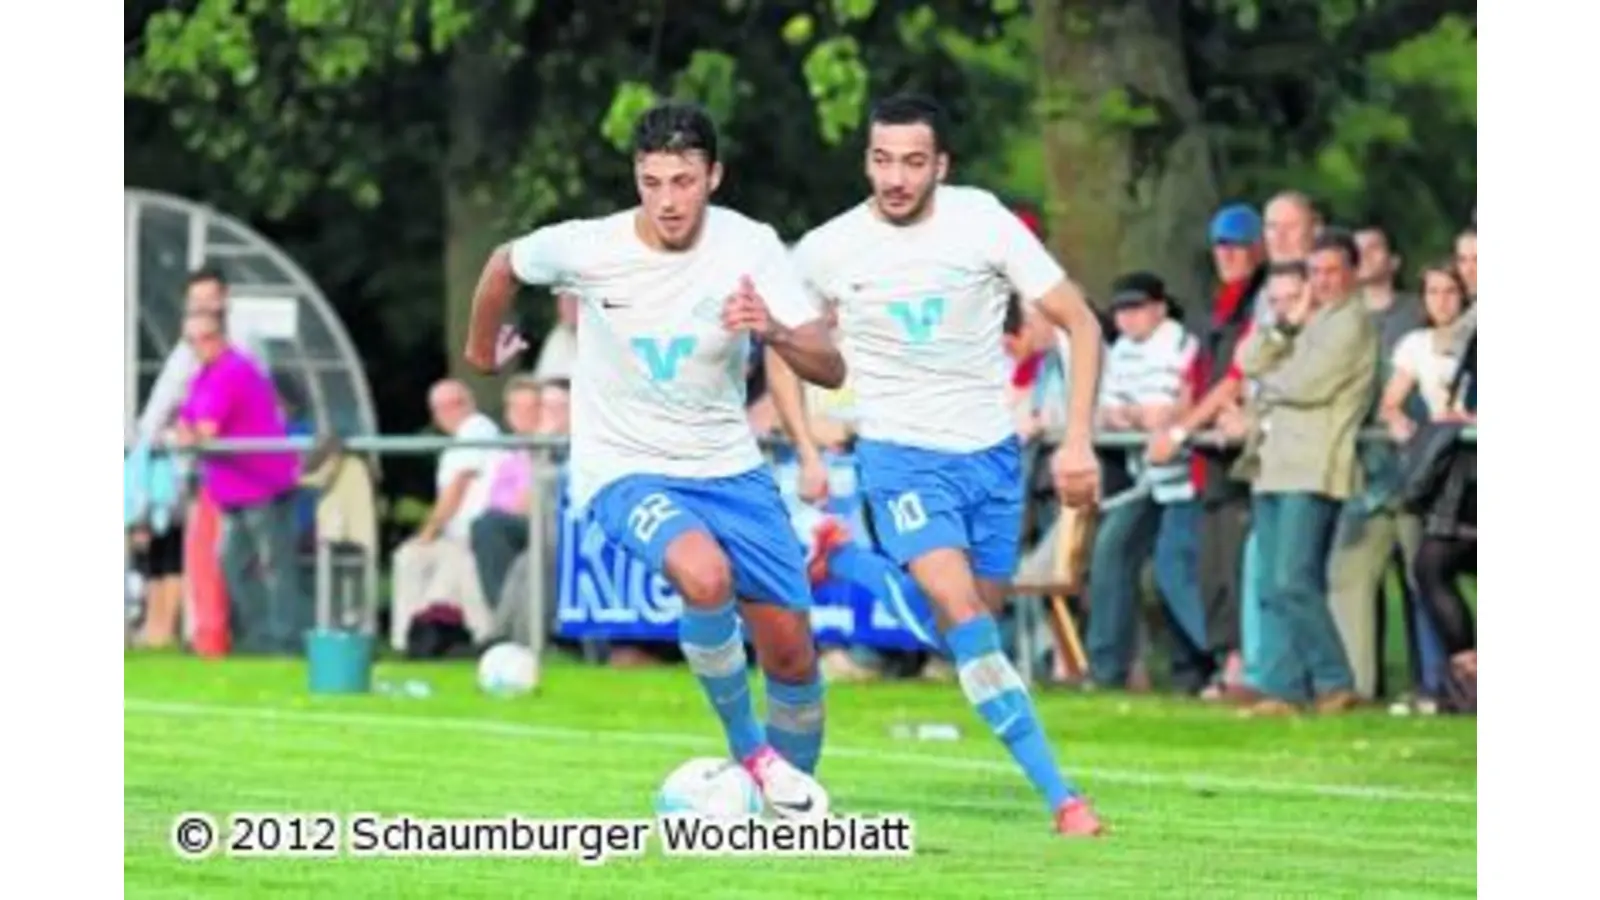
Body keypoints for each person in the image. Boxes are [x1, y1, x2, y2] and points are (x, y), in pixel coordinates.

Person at [461, 101, 844, 820]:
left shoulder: (752, 246)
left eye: (683, 181)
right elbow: (502, 262)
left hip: (730, 469)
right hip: (623, 467)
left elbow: (829, 364)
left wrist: (772, 330)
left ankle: (785, 813)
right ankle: (754, 756)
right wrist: (482, 353)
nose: (667, 200)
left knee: (792, 653)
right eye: (652, 181)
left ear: (714, 177)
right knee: (704, 575)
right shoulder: (590, 246)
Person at [777, 93, 1106, 837]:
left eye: (913, 162)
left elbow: (1081, 324)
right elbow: (782, 344)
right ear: (867, 161)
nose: (896, 177)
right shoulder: (828, 248)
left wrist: (1078, 439)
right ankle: (1063, 798)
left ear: (942, 166)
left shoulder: (983, 221)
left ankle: (845, 561)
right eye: (882, 160)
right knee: (963, 616)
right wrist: (805, 443)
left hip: (991, 459)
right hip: (900, 458)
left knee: (967, 635)